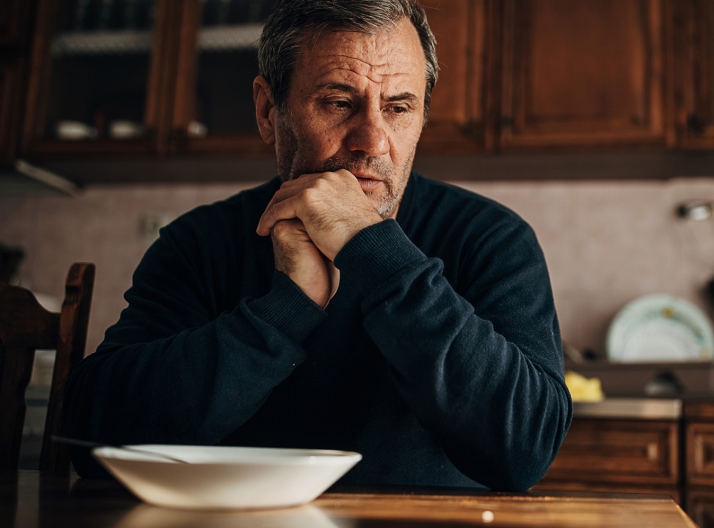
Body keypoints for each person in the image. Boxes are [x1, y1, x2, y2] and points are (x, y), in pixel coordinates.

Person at [64, 0, 571, 491]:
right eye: (337, 103)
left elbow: (524, 449)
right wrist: (286, 309)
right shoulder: (199, 243)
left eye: (398, 108)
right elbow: (91, 435)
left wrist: (374, 251)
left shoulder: (490, 239)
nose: (371, 140)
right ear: (268, 111)